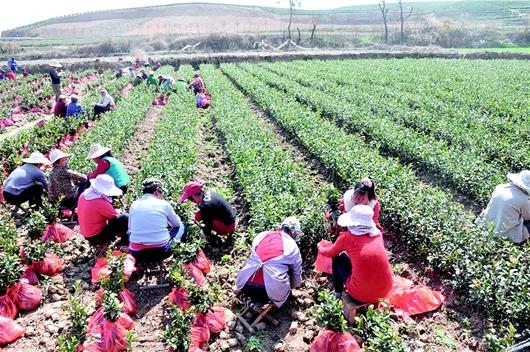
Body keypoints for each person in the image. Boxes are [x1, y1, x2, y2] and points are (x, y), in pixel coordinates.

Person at [319, 205, 393, 302]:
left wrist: (320, 248)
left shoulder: (347, 237)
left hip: (361, 294)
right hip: (385, 291)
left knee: (337, 258)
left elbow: (330, 253)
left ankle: (337, 293)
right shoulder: (377, 234)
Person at [236, 217, 303, 307]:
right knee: (289, 269)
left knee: (250, 260)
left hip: (245, 286)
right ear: (294, 233)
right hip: (267, 293)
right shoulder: (292, 246)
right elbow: (297, 277)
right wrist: (289, 289)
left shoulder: (262, 235)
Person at [129, 179, 187, 263]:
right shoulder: (164, 204)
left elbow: (130, 229)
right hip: (161, 252)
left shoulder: (134, 205)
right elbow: (177, 224)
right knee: (183, 225)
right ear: (157, 191)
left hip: (137, 254)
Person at [478, 170, 530, 243]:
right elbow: (527, 217)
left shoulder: (500, 187)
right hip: (504, 234)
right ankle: (520, 240)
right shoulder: (523, 199)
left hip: (487, 225)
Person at [77, 174, 129, 247]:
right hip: (97, 237)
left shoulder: (84, 194)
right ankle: (125, 245)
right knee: (125, 218)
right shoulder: (100, 202)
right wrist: (118, 212)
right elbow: (115, 217)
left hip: (87, 235)